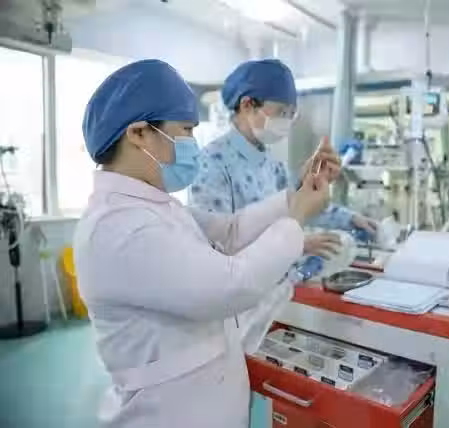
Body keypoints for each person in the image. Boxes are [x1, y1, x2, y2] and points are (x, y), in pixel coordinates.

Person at [73, 59, 333, 428]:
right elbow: (231, 285)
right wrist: (296, 220)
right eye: (185, 130)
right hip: (168, 414)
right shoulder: (121, 227)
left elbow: (229, 232)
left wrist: (295, 195)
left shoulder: (154, 205)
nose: (192, 144)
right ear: (139, 133)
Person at [190, 59, 376, 260]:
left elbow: (299, 205)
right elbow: (218, 246)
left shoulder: (273, 165)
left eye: (291, 114)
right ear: (247, 105)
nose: (286, 121)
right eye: (281, 112)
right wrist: (294, 244)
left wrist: (351, 219)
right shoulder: (212, 163)